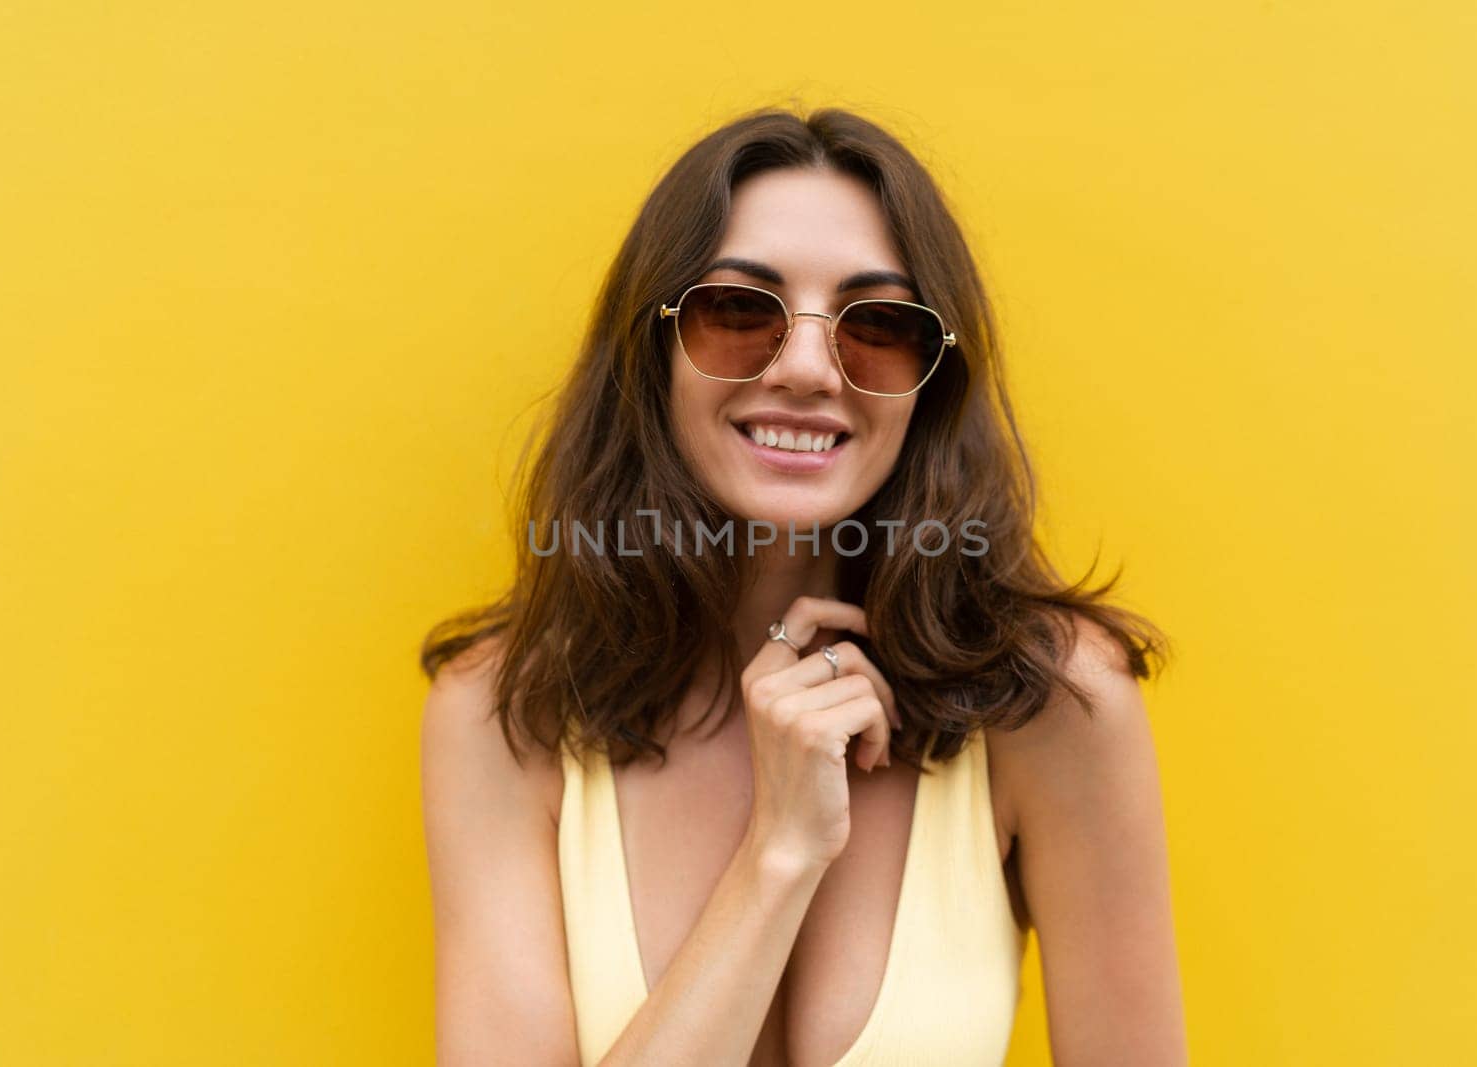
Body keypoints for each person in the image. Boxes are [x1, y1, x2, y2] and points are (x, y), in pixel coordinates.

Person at [418, 106, 1187, 1066]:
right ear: (652, 349)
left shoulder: (1054, 704)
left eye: (877, 326)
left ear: (930, 381)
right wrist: (777, 856)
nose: (810, 368)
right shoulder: (503, 716)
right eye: (739, 311)